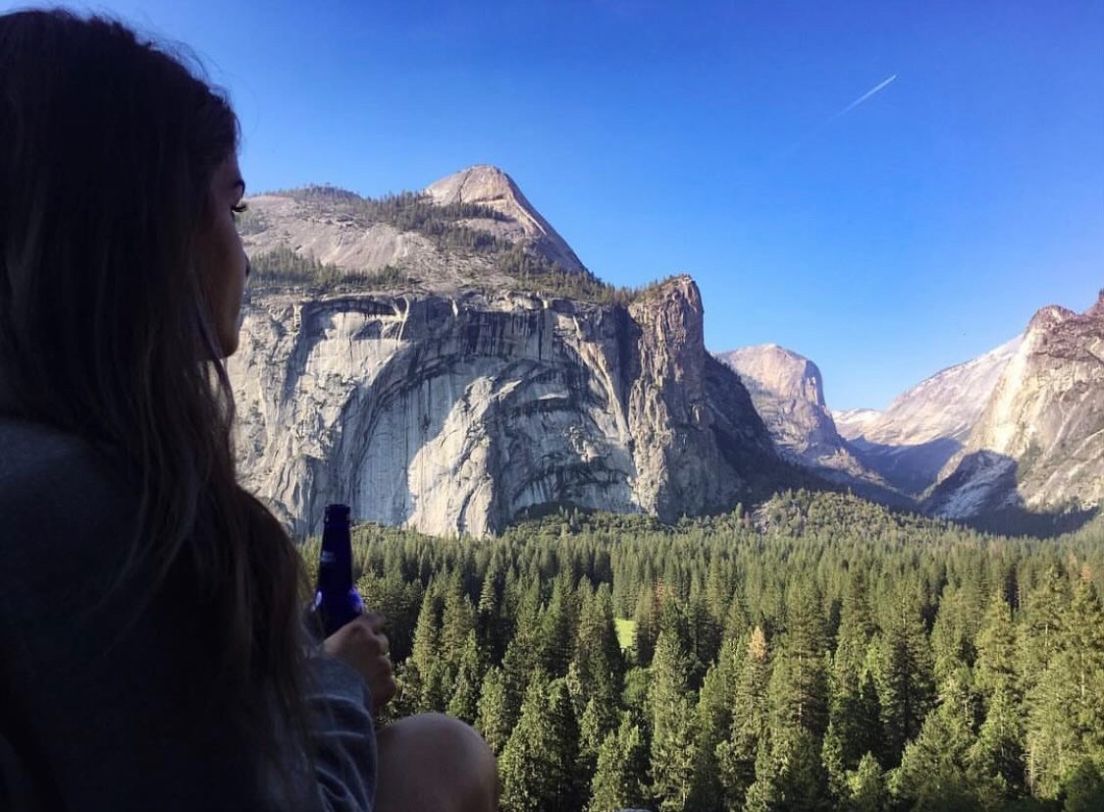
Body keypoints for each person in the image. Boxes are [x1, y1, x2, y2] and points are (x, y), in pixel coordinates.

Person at [0, 9, 497, 811]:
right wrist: (336, 685)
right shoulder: (112, 528)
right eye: (231, 209)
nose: (246, 251)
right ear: (150, 236)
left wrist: (297, 649)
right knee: (448, 752)